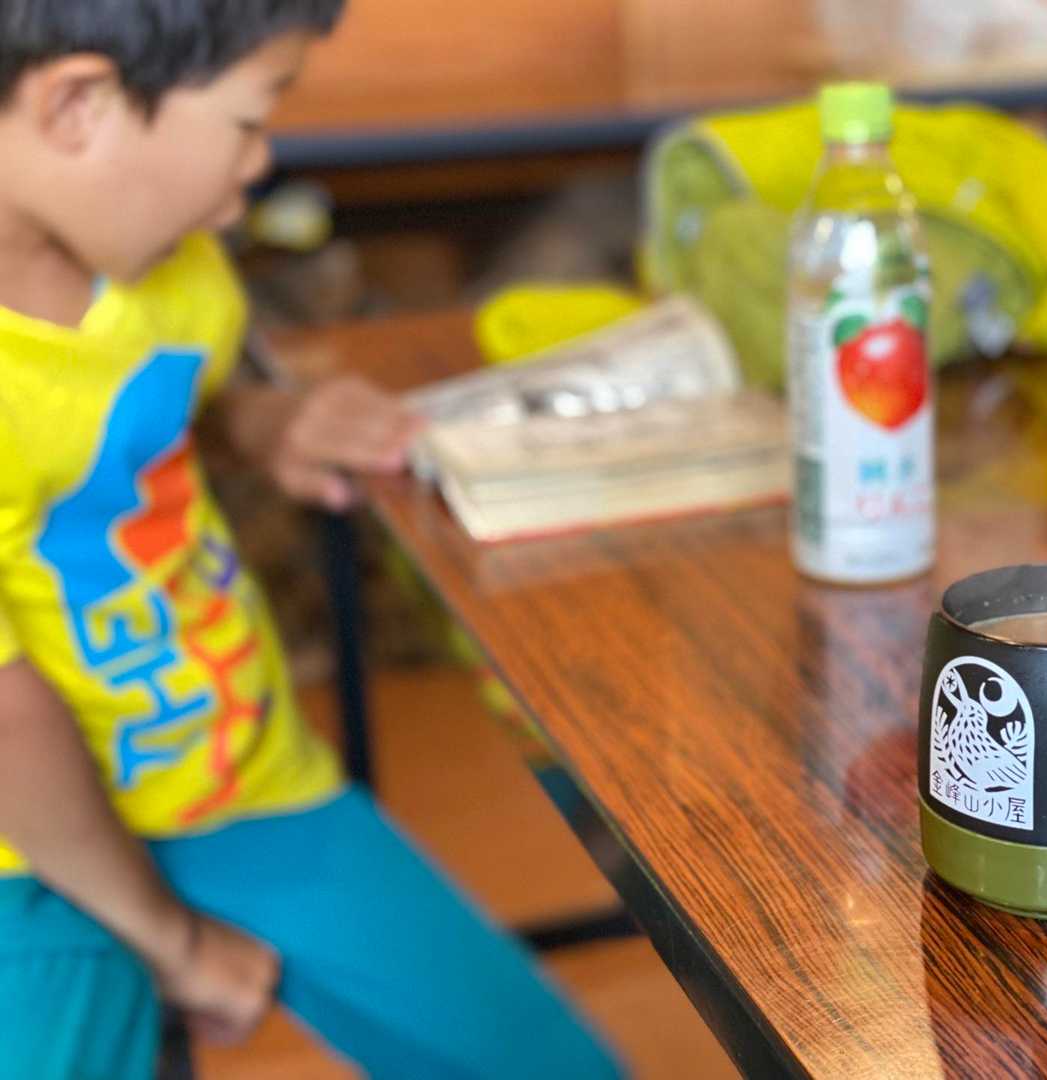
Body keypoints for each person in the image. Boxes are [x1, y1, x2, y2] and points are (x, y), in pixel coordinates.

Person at [0, 2, 624, 1076]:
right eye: (249, 119)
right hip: (28, 845)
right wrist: (173, 943)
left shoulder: (165, 262)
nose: (261, 161)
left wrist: (267, 423)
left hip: (234, 773)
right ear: (78, 106)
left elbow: (144, 412)